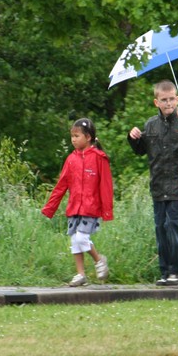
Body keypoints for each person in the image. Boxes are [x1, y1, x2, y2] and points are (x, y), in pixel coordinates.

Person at [129, 81, 178, 286]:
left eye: (172, 99)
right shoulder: (151, 125)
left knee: (172, 225)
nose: (168, 103)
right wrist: (134, 138)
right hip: (158, 185)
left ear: (177, 99)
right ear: (156, 102)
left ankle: (177, 270)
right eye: (164, 100)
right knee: (160, 229)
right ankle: (165, 271)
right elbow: (140, 151)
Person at [41, 118, 113, 287]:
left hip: (91, 208)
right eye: (72, 136)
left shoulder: (99, 158)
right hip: (74, 208)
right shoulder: (71, 159)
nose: (73, 140)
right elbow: (61, 186)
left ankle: (99, 260)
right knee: (75, 241)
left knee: (81, 238)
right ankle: (80, 275)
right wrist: (50, 208)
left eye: (77, 136)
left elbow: (106, 186)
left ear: (88, 137)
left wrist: (107, 210)